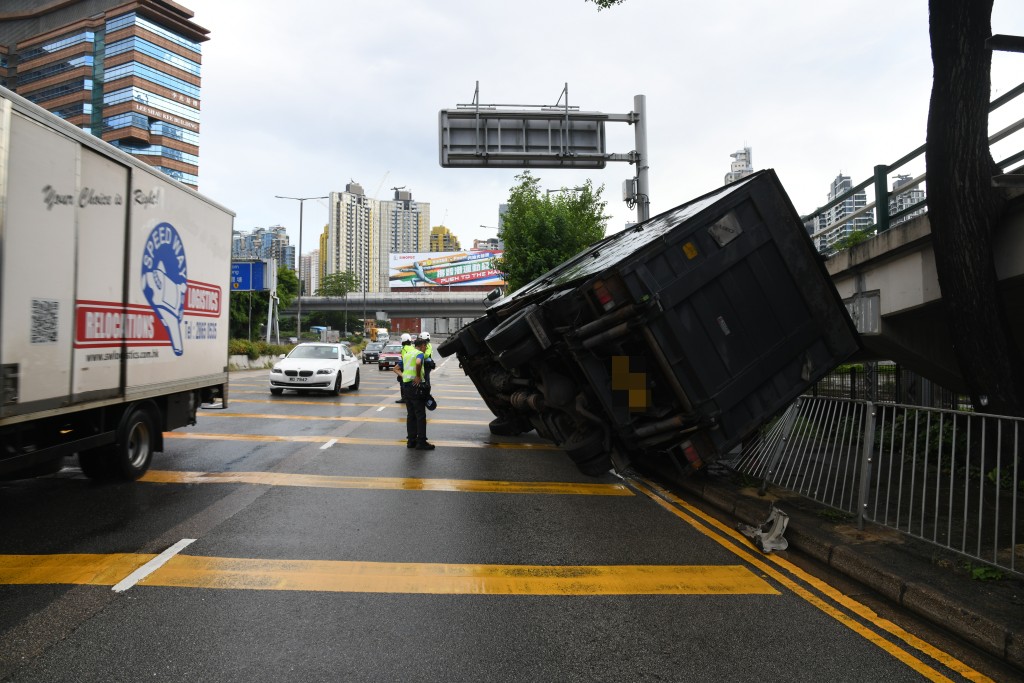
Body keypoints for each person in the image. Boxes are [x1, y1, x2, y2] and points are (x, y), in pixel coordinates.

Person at [394, 335, 433, 450]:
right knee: (420, 415)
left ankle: (411, 441)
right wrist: (417, 376)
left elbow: (395, 369)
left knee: (411, 415)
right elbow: (418, 362)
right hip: (416, 388)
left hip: (406, 388)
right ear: (422, 346)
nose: (426, 349)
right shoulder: (418, 354)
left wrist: (404, 376)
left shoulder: (406, 355)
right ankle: (421, 442)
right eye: (425, 347)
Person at [394, 333, 413, 403]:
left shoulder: (404, 349)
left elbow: (405, 359)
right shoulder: (412, 347)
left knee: (402, 383)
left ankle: (404, 398)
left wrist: (401, 370)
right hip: (412, 368)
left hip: (406, 368)